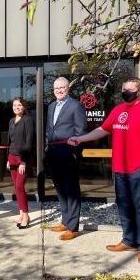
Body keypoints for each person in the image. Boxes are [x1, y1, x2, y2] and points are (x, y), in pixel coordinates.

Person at [68, 77, 140, 264]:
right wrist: (81, 139)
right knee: (124, 205)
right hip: (120, 168)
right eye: (124, 89)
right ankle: (129, 240)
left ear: (139, 91)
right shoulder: (119, 110)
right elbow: (103, 130)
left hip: (139, 170)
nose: (127, 92)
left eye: (131, 89)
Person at [46, 77, 87, 240]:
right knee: (60, 188)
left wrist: (75, 152)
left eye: (62, 87)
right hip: (53, 152)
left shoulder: (75, 105)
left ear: (68, 88)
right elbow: (50, 129)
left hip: (67, 153)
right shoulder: (51, 106)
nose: (59, 90)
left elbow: (81, 131)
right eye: (56, 88)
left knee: (71, 190)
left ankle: (73, 227)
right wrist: (46, 146)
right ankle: (65, 220)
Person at [7, 98, 35, 229]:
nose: (16, 107)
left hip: (23, 158)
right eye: (14, 105)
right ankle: (21, 214)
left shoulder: (27, 120)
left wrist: (23, 160)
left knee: (19, 186)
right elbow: (10, 142)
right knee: (16, 187)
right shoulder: (11, 121)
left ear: (24, 107)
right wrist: (8, 158)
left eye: (19, 105)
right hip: (12, 157)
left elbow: (29, 143)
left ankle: (26, 215)